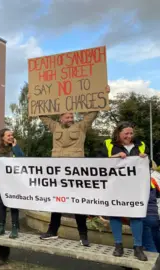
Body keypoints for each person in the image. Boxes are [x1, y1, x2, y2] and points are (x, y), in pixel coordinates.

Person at [35, 85, 109, 246]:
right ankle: (52, 231)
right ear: (61, 118)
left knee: (78, 203)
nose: (70, 119)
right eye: (67, 117)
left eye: (71, 116)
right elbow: (42, 115)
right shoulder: (54, 127)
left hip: (76, 172)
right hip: (58, 172)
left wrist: (103, 94)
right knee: (57, 201)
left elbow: (93, 114)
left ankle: (83, 236)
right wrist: (34, 101)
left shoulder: (81, 127)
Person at [97, 121, 150, 260]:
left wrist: (145, 159)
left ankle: (138, 247)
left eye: (131, 133)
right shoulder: (108, 144)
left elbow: (148, 165)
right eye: (126, 133)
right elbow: (98, 163)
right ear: (118, 133)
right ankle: (118, 245)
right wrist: (114, 157)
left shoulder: (141, 144)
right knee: (115, 214)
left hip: (135, 187)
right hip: (115, 187)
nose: (129, 136)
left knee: (136, 214)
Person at [0, 129, 25, 238]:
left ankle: (14, 228)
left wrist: (15, 147)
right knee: (0, 206)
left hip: (13, 183)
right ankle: (1, 227)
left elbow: (22, 160)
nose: (11, 137)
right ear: (2, 137)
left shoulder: (14, 149)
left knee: (13, 205)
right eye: (8, 135)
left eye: (12, 135)